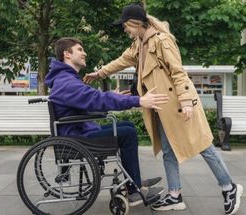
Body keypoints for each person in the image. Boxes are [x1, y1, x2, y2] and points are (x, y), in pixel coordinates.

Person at [83, 3, 243, 215]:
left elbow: (178, 72)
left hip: (179, 104)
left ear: (136, 23)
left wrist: (186, 102)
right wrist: (100, 73)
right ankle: (175, 195)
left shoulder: (161, 41)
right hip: (161, 106)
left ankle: (229, 188)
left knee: (204, 145)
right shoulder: (139, 43)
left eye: (125, 26)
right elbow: (122, 61)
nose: (124, 30)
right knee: (169, 151)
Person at [45, 37, 169, 206]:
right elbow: (96, 98)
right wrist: (137, 101)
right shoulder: (66, 82)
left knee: (127, 126)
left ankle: (134, 180)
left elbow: (89, 103)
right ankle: (134, 190)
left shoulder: (65, 79)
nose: (84, 53)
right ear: (67, 54)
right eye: (80, 49)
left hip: (79, 132)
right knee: (128, 132)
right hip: (78, 138)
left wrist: (115, 98)